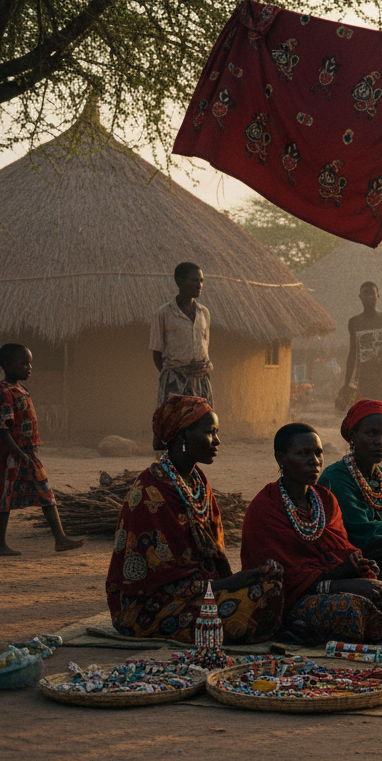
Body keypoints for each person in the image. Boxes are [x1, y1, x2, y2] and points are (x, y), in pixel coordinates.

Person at [105, 396, 283, 643]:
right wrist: (232, 583)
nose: (217, 440)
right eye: (210, 432)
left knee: (268, 590)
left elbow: (212, 557)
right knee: (251, 606)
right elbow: (159, 580)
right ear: (182, 436)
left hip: (200, 591)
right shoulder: (150, 492)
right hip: (153, 606)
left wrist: (240, 579)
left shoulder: (197, 481)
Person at [240, 423, 382, 644]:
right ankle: (297, 629)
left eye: (318, 453)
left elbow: (342, 550)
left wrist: (358, 567)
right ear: (281, 458)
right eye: (304, 454)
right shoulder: (265, 508)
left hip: (329, 587)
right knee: (351, 608)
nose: (315, 461)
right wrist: (342, 583)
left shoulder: (325, 500)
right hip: (286, 603)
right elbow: (280, 578)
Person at [0, 344, 84, 556]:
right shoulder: (4, 391)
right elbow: (2, 427)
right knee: (5, 497)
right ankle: (0, 544)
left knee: (46, 493)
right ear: (8, 364)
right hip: (11, 454)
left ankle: (60, 539)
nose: (29, 367)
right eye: (24, 363)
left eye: (30, 363)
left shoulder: (21, 389)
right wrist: (17, 453)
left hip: (28, 453)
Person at [318, 399, 382, 577]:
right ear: (353, 436)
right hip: (348, 567)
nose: (380, 441)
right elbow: (359, 531)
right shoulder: (336, 478)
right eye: (371, 433)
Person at [151, 262, 212, 449]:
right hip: (174, 377)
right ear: (180, 281)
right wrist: (170, 376)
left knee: (201, 426)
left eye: (201, 281)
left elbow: (205, 345)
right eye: (194, 280)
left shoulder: (204, 313)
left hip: (200, 379)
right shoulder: (164, 314)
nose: (199, 285)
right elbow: (156, 352)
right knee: (172, 428)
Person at [344, 281, 382, 408]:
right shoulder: (354, 322)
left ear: (377, 296)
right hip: (364, 379)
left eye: (372, 294)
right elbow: (352, 353)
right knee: (368, 416)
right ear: (360, 297)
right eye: (365, 294)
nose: (369, 297)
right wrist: (347, 382)